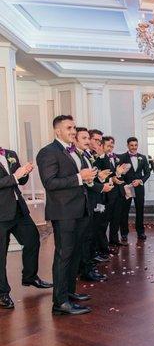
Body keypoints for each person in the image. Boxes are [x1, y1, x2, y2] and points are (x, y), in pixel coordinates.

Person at [37, 115, 96, 315]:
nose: (73, 131)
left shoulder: (73, 152)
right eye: (69, 128)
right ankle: (60, 302)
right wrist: (80, 177)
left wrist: (87, 180)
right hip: (64, 213)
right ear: (58, 131)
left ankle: (69, 293)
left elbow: (75, 180)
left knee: (74, 254)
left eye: (73, 127)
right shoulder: (48, 152)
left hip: (79, 210)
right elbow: (50, 183)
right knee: (64, 255)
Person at [0, 146, 52, 309]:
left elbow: (20, 180)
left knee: (32, 239)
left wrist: (25, 172)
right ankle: (2, 293)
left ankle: (30, 276)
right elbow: (13, 178)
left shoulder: (10, 154)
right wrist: (15, 176)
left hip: (18, 209)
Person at [74, 128, 112, 283]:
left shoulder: (86, 155)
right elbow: (85, 180)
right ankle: (85, 269)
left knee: (89, 236)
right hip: (84, 201)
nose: (93, 142)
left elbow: (91, 178)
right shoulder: (79, 155)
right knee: (85, 237)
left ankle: (88, 267)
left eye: (97, 140)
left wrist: (100, 179)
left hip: (92, 199)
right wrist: (100, 185)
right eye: (90, 139)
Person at [95, 136, 128, 249]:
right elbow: (100, 177)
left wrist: (119, 174)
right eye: (108, 146)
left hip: (118, 193)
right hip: (107, 195)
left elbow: (117, 173)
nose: (111, 148)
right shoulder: (99, 159)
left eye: (112, 145)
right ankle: (103, 246)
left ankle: (114, 240)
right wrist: (114, 177)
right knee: (104, 221)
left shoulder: (116, 158)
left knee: (116, 218)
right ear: (102, 146)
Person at [119, 137, 151, 241]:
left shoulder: (143, 157)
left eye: (135, 145)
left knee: (140, 210)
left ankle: (140, 232)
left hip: (139, 188)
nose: (134, 147)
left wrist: (140, 181)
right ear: (128, 145)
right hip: (127, 187)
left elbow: (147, 173)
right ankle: (124, 233)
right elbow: (119, 174)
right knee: (124, 211)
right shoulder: (122, 157)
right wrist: (125, 184)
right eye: (131, 145)